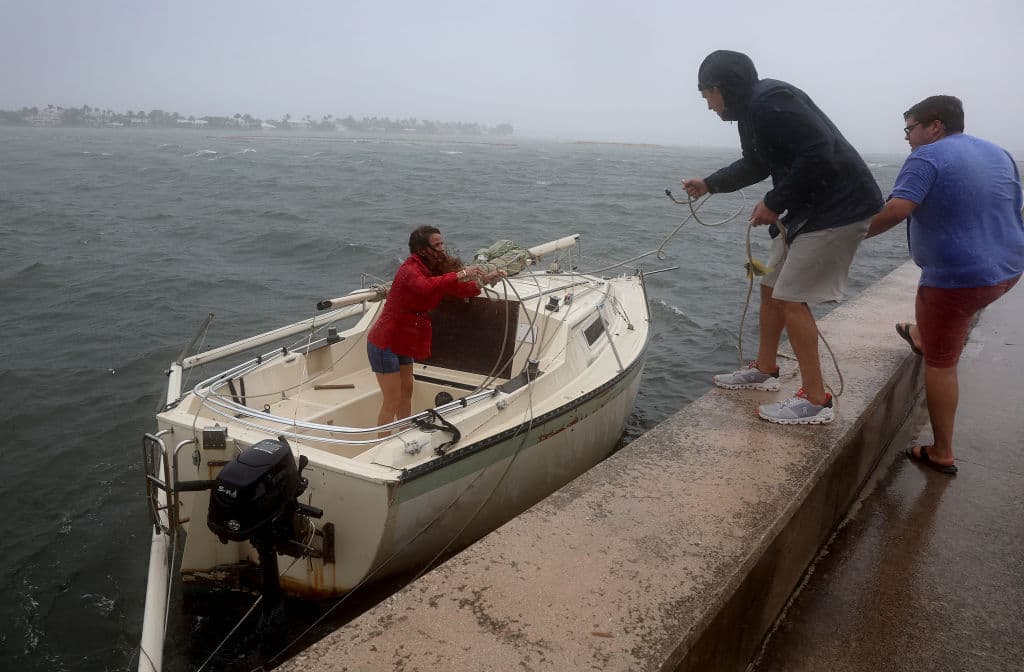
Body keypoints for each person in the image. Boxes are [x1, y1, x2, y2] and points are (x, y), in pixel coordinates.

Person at [682, 50, 883, 425]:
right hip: (811, 210)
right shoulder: (750, 113)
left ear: (724, 87)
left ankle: (816, 401)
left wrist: (775, 202)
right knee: (771, 288)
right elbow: (755, 164)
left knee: (791, 298)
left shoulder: (771, 101)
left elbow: (818, 150)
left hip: (839, 209)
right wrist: (710, 184)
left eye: (707, 94)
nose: (708, 105)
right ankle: (765, 368)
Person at [865, 95, 1024, 474]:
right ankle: (924, 333)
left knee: (941, 364)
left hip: (956, 282)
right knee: (944, 327)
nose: (907, 137)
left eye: (910, 128)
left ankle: (942, 451)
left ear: (935, 126)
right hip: (1007, 269)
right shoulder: (998, 152)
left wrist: (844, 237)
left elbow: (897, 209)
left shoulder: (926, 156)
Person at [367, 226, 502, 435]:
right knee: (392, 399)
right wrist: (463, 272)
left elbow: (456, 290)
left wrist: (484, 280)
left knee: (407, 392)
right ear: (421, 249)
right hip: (384, 341)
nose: (441, 249)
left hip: (404, 340)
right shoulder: (409, 269)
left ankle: (404, 432)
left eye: (442, 244)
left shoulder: (431, 269)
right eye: (436, 245)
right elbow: (426, 287)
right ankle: (380, 442)